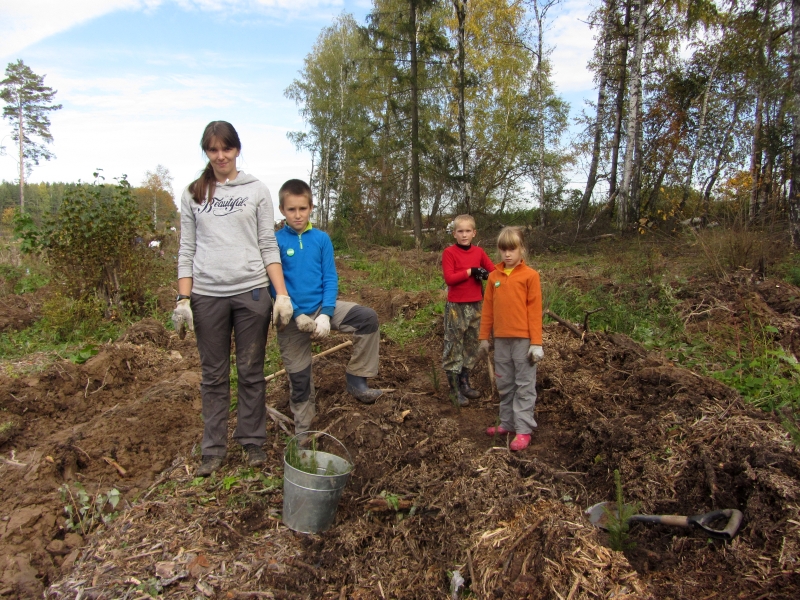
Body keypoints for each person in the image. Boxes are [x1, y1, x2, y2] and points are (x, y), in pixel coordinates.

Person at [173, 121, 294, 477]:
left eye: (226, 148)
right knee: (213, 375)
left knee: (251, 370)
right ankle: (212, 449)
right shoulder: (193, 194)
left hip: (251, 293)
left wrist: (281, 295)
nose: (220, 156)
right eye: (213, 150)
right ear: (206, 152)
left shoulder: (256, 190)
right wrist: (183, 298)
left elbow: (267, 243)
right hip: (207, 296)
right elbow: (186, 249)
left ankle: (252, 442)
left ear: (237, 149)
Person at [272, 179, 383, 437]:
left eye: (302, 208)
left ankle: (357, 379)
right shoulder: (275, 241)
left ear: (311, 207)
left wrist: (325, 314)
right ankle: (305, 432)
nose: (297, 215)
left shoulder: (321, 239)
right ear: (282, 210)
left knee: (367, 319)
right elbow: (273, 285)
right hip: (290, 318)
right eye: (291, 209)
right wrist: (296, 313)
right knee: (299, 379)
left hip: (322, 307)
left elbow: (330, 278)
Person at [478, 227, 543, 452]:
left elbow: (535, 311)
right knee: (505, 383)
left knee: (524, 384)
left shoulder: (530, 276)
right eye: (503, 249)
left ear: (521, 249)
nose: (507, 254)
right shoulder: (494, 277)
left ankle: (523, 429)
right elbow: (488, 309)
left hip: (523, 340)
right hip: (501, 340)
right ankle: (507, 423)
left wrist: (536, 343)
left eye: (512, 249)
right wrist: (484, 337)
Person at [441, 215, 495, 406]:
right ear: (454, 234)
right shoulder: (449, 252)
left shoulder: (479, 252)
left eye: (467, 231)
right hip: (456, 307)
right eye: (460, 231)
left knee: (472, 345)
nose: (464, 235)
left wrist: (487, 275)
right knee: (454, 345)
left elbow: (493, 271)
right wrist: (471, 271)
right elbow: (449, 278)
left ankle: (464, 382)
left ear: (474, 233)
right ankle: (454, 388)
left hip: (476, 305)